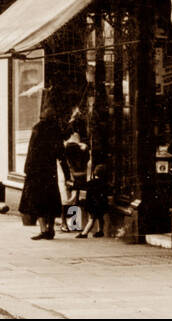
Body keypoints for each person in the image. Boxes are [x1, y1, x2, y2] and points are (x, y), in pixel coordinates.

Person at [19, 100, 67, 240]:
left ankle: (43, 229)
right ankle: (51, 228)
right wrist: (67, 173)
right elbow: (61, 153)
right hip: (50, 170)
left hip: (36, 170)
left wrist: (27, 168)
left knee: (38, 200)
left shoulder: (38, 128)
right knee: (51, 199)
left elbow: (31, 150)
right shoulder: (56, 130)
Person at [76, 163, 108, 239]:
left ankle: (84, 233)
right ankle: (100, 230)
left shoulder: (91, 182)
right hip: (101, 203)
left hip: (92, 204)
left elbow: (83, 189)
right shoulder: (104, 183)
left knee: (92, 219)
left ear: (94, 172)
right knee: (100, 217)